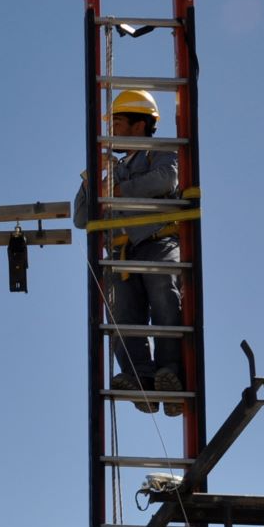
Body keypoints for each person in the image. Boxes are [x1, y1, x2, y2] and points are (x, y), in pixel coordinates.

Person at [73, 89, 185, 416]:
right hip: (123, 255)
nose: (113, 130)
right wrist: (91, 178)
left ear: (139, 126)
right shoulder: (115, 169)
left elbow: (167, 180)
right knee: (122, 314)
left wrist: (116, 192)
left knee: (166, 295)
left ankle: (171, 373)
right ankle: (141, 379)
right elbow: (82, 217)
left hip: (159, 242)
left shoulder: (161, 154)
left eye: (118, 122)